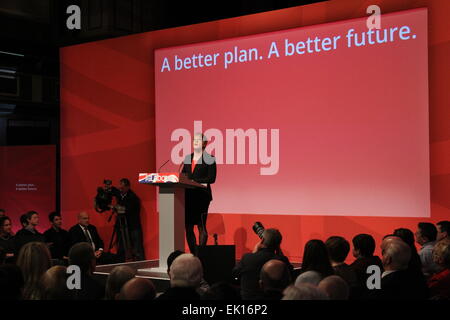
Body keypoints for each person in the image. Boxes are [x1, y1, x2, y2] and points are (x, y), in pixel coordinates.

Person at [232, 228, 293, 300]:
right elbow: (290, 275)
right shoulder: (281, 260)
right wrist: (279, 251)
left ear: (262, 240)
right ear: (278, 244)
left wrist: (254, 253)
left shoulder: (247, 258)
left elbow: (235, 273)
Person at [181, 133, 217, 254]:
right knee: (188, 227)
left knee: (201, 226)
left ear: (204, 143)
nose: (195, 142)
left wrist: (194, 181)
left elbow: (211, 178)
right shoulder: (187, 158)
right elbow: (183, 175)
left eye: (198, 140)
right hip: (188, 196)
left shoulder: (210, 158)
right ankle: (193, 254)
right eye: (194, 140)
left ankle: (201, 254)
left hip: (202, 196)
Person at [115, 178, 145, 261]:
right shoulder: (119, 196)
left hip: (133, 226)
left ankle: (140, 264)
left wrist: (119, 208)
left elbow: (127, 210)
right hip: (122, 226)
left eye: (122, 187)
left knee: (137, 247)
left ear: (128, 187)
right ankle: (120, 261)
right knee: (121, 246)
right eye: (120, 187)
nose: (120, 189)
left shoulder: (133, 198)